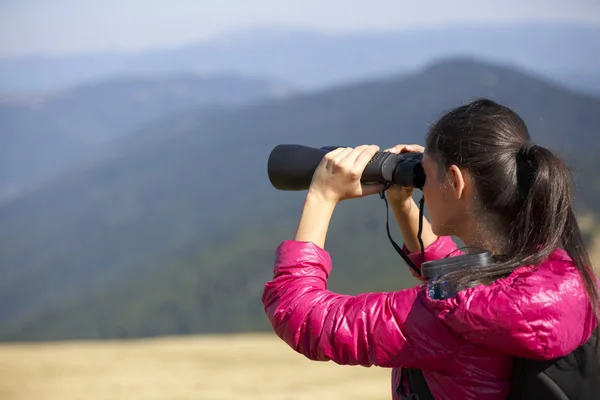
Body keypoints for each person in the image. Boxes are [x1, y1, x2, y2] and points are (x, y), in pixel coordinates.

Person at [261, 99, 600, 399]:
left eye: (428, 173)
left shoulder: (443, 321)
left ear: (456, 181)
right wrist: (403, 202)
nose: (423, 181)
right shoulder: (560, 275)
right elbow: (468, 286)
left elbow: (300, 316)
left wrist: (323, 195)